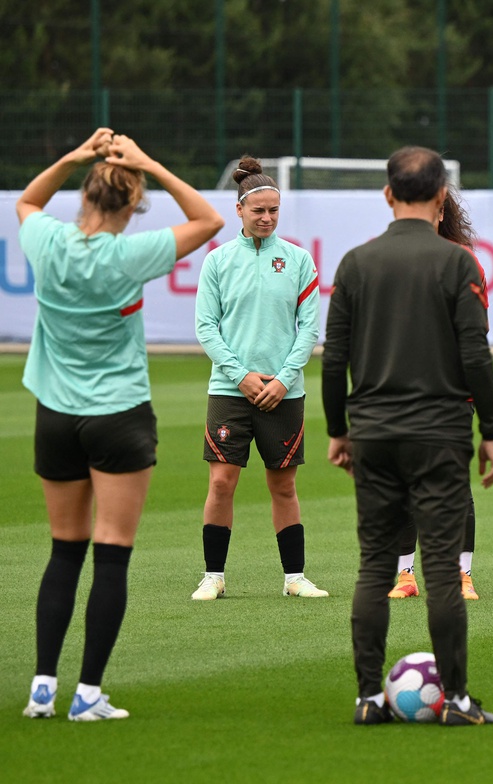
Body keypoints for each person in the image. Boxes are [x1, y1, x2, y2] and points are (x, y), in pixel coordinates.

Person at [19, 129, 224, 720]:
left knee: (64, 552)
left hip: (55, 414)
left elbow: (28, 202)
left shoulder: (49, 241)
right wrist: (149, 162)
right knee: (111, 555)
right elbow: (209, 219)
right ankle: (87, 695)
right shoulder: (130, 253)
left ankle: (41, 689)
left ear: (84, 194)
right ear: (133, 203)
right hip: (118, 415)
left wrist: (76, 156)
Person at [323, 146, 493, 726]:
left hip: (372, 433)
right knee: (443, 569)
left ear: (387, 194)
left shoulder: (355, 263)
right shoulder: (459, 264)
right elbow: (475, 355)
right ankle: (455, 700)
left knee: (375, 566)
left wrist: (336, 430)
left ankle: (368, 699)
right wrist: (491, 432)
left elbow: (333, 362)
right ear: (442, 196)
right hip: (439, 433)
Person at [189, 156, 325, 601]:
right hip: (230, 390)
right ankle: (213, 576)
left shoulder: (300, 260)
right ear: (240, 211)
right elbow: (206, 326)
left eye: (274, 211)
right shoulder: (217, 261)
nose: (266, 218)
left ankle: (294, 578)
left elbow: (309, 328)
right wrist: (242, 375)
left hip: (285, 393)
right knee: (221, 482)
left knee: (283, 485)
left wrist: (283, 380)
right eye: (258, 211)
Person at [389, 188, 486, 602]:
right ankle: (404, 575)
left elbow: (475, 332)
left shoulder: (464, 261)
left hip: (450, 392)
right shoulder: (390, 258)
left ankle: (461, 575)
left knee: (454, 485)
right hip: (401, 391)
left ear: (442, 211)